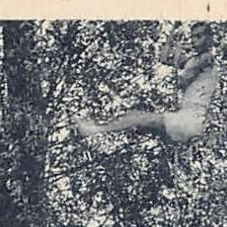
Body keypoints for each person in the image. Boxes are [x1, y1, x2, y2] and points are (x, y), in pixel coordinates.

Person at [76, 22, 218, 144]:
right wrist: (172, 36)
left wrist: (179, 53)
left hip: (189, 121)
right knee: (135, 118)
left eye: (199, 36)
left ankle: (95, 130)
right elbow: (163, 57)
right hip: (186, 119)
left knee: (135, 117)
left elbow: (181, 81)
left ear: (209, 38)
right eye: (193, 36)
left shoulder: (206, 59)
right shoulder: (193, 60)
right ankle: (98, 130)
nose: (194, 40)